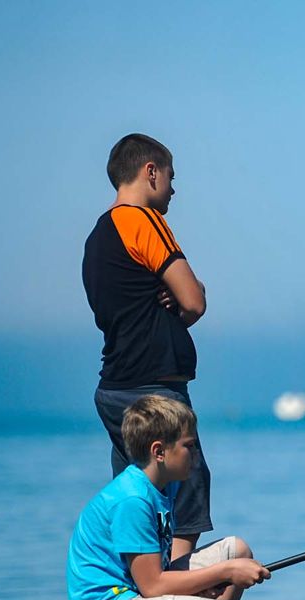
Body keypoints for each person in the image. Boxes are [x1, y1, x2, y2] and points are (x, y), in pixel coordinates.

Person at [67, 395, 270, 600]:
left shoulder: (164, 485)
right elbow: (154, 587)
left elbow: (160, 576)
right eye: (189, 445)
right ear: (159, 452)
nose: (196, 453)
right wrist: (224, 573)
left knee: (237, 549)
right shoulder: (132, 500)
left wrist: (221, 572)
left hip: (135, 597)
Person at [82, 133, 211, 564]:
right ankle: (172, 579)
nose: (174, 189)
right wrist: (188, 298)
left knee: (140, 494)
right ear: (150, 172)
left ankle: (141, 578)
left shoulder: (97, 237)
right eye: (171, 177)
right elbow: (194, 300)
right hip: (153, 386)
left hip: (114, 388)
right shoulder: (142, 220)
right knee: (188, 479)